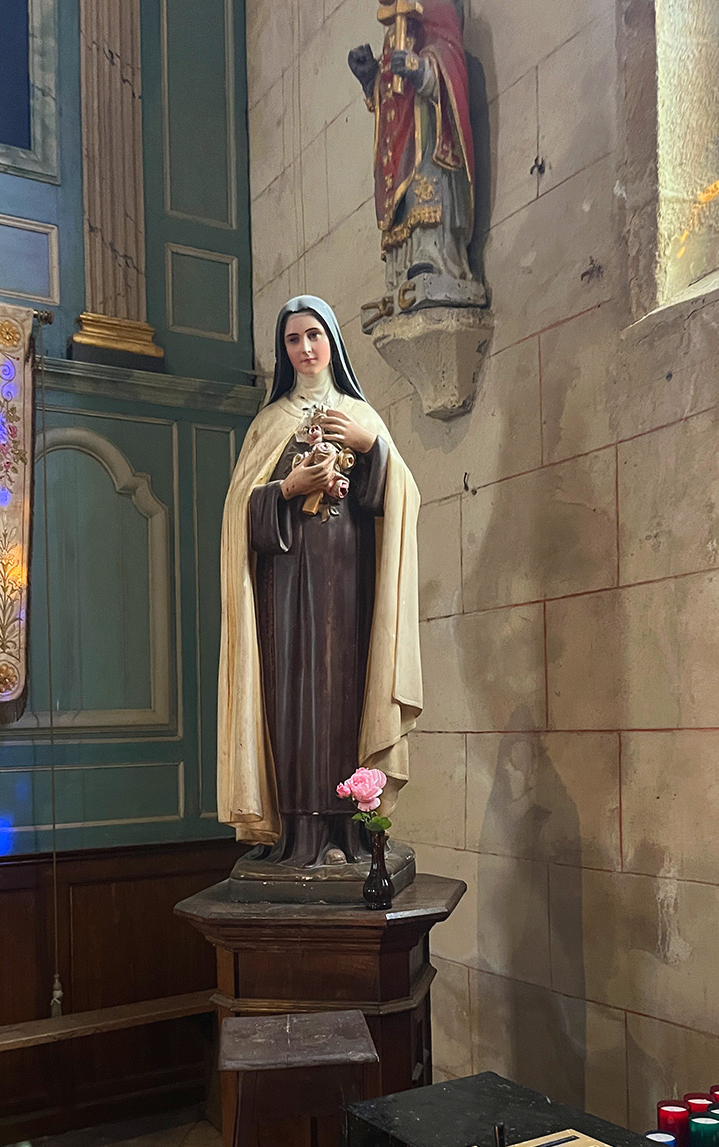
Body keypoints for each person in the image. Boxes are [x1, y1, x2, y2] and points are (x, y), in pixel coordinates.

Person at [218, 296, 422, 868]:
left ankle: (352, 834)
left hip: (348, 580)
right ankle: (298, 835)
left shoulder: (362, 414)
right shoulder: (269, 421)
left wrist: (369, 448)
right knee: (294, 698)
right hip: (286, 589)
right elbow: (238, 517)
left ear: (332, 341)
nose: (305, 349)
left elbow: (400, 499)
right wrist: (287, 488)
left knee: (345, 692)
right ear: (284, 352)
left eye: (314, 336)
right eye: (292, 340)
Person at [348, 0, 479, 297]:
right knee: (400, 200)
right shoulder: (395, 24)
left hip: (428, 127)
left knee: (425, 187)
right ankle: (400, 273)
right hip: (399, 137)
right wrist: (371, 80)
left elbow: (452, 61)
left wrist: (421, 69)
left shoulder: (434, 6)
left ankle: (433, 258)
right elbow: (391, 95)